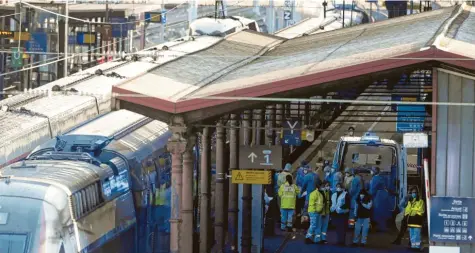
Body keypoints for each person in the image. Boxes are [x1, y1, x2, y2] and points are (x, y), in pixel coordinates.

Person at [369, 166, 390, 232]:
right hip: (384, 196)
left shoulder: (375, 179)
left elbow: (372, 190)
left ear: (374, 171)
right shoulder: (381, 178)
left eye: (372, 170)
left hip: (377, 197)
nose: (371, 172)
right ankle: (383, 227)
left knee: (378, 213)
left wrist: (368, 196)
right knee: (383, 213)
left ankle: (380, 228)